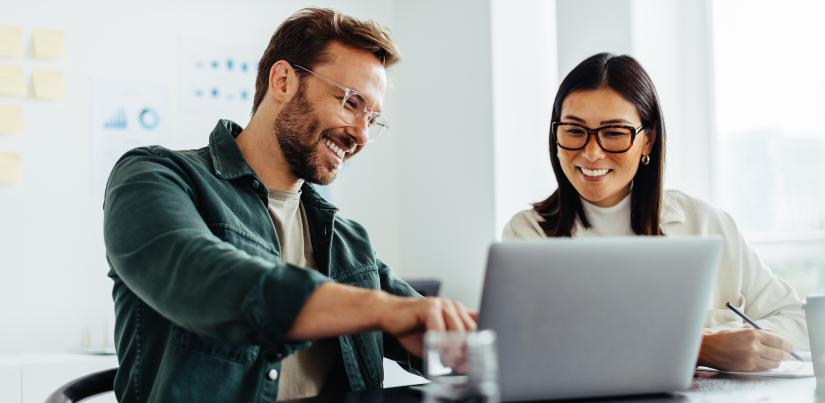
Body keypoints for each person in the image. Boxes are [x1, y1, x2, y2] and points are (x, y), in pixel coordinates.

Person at [103, 8, 475, 402]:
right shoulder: (155, 176)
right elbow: (209, 279)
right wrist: (383, 309)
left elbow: (423, 325)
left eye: (373, 118)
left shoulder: (348, 241)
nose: (361, 135)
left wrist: (470, 336)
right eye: (351, 102)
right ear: (283, 80)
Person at [502, 53, 807, 373]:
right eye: (575, 131)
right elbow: (537, 347)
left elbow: (798, 321)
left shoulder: (704, 223)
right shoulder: (528, 235)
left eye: (614, 133)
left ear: (647, 141)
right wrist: (699, 347)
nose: (591, 152)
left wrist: (748, 344)